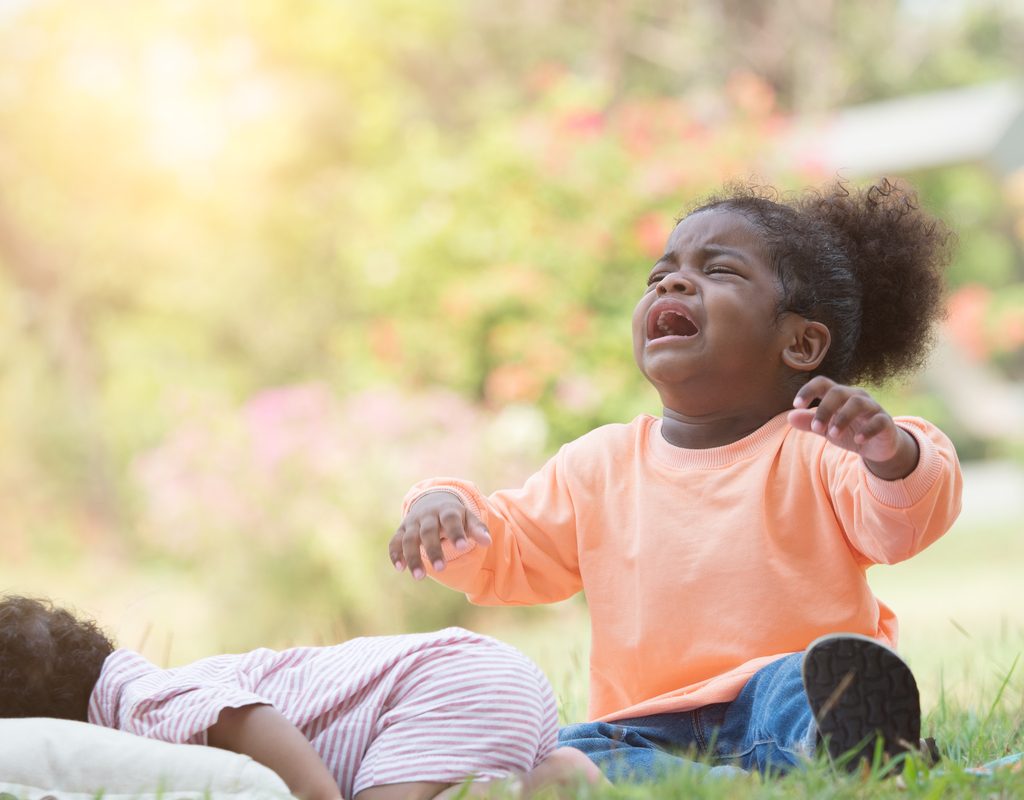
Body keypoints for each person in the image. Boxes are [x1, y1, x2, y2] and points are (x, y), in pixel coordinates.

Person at [390, 179, 963, 780]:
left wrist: (888, 451)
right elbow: (507, 550)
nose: (672, 282)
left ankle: (843, 745)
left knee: (810, 682)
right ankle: (761, 783)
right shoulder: (597, 464)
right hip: (643, 724)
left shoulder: (820, 445)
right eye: (659, 276)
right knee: (561, 755)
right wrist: (443, 504)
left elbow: (900, 524)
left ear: (799, 342)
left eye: (720, 271)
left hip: (779, 699)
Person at [0, 595, 603, 800]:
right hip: (475, 673)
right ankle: (552, 778)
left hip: (442, 684)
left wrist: (317, 796)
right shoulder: (153, 683)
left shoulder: (141, 702)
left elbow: (250, 719)